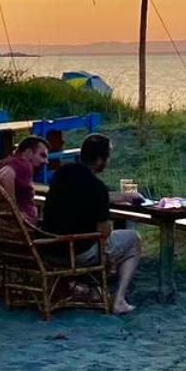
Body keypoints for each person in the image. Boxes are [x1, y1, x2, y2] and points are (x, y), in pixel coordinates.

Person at [42, 133, 144, 314]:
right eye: (107, 157)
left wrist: (123, 197)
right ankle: (119, 299)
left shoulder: (62, 174)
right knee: (133, 239)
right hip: (77, 253)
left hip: (48, 248)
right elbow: (103, 232)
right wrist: (107, 259)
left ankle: (70, 287)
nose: (108, 161)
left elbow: (81, 196)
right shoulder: (97, 188)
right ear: (99, 160)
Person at [0, 135, 47, 224]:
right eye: (42, 155)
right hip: (22, 229)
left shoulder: (0, 163)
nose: (46, 161)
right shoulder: (24, 164)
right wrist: (13, 212)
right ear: (29, 152)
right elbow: (5, 176)